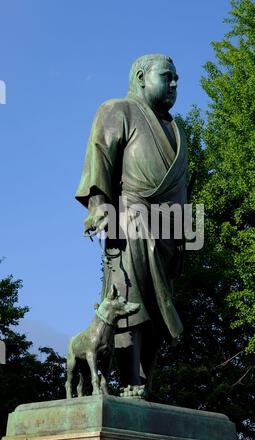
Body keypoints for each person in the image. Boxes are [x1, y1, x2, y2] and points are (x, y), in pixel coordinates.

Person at [75, 54, 188, 399]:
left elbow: (185, 184)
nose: (174, 85)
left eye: (176, 80)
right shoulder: (117, 110)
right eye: (167, 77)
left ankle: (145, 382)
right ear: (141, 77)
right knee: (128, 299)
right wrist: (98, 207)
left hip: (171, 227)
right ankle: (129, 381)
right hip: (130, 218)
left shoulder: (177, 128)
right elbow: (100, 158)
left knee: (159, 309)